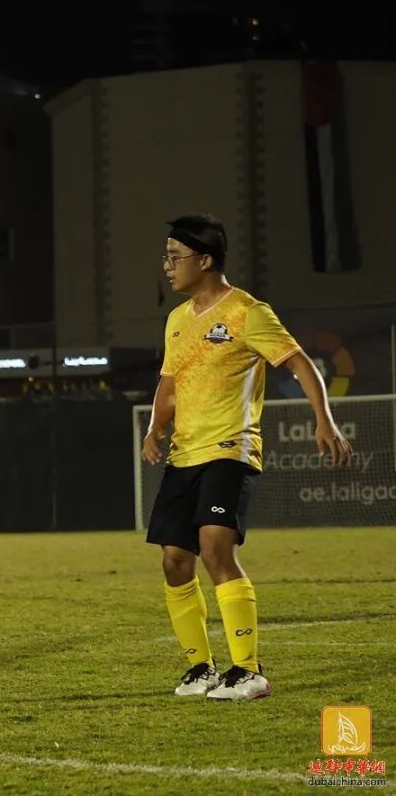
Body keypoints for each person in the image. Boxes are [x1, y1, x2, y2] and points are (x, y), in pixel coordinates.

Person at [142, 214, 353, 701]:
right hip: (184, 454)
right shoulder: (177, 320)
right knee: (175, 560)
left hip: (230, 450)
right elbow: (169, 385)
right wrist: (155, 428)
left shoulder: (247, 312)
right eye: (166, 257)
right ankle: (201, 668)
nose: (168, 266)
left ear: (205, 260)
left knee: (215, 549)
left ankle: (248, 671)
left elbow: (299, 362)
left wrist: (324, 419)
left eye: (175, 257)